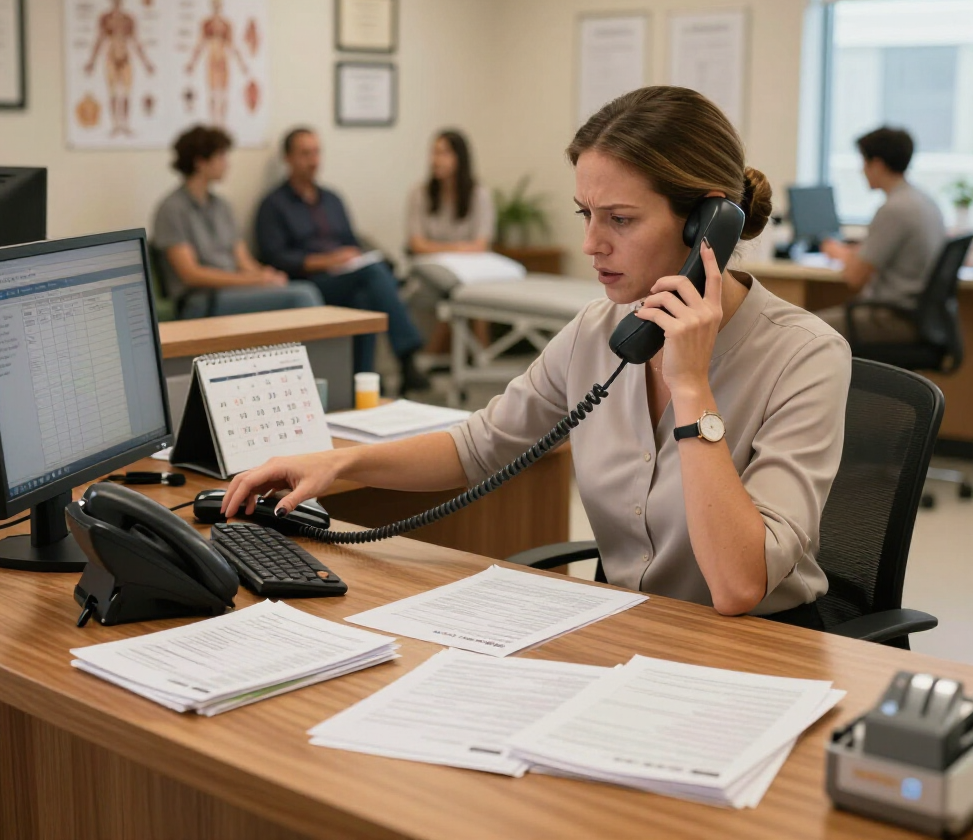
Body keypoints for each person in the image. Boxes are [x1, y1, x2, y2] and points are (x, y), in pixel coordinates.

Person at [226, 87, 852, 625]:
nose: (590, 243)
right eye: (585, 214)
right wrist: (336, 466)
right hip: (630, 631)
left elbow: (740, 586)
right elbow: (476, 448)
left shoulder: (805, 356)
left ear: (708, 223)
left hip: (758, 651)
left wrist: (691, 387)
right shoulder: (596, 331)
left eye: (621, 219)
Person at [255, 127, 429, 393]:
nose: (313, 160)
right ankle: (407, 357)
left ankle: (360, 384)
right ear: (288, 158)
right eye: (305, 154)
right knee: (374, 274)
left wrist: (349, 256)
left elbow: (350, 241)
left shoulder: (332, 199)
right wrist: (326, 261)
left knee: (365, 299)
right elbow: (276, 257)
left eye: (316, 152)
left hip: (348, 276)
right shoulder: (274, 205)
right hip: (310, 281)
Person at [152, 125, 322, 318]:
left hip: (234, 290)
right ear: (200, 162)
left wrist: (266, 275)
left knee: (300, 287)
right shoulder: (172, 209)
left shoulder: (222, 206)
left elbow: (243, 260)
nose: (227, 164)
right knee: (302, 296)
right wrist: (250, 280)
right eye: (221, 157)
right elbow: (191, 274)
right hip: (201, 299)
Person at [818, 127, 946, 343]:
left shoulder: (894, 209)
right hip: (918, 317)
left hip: (892, 318)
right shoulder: (923, 201)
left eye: (864, 163)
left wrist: (839, 253)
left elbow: (854, 278)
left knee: (803, 332)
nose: (862, 171)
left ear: (876, 164)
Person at [406, 130, 495, 254]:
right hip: (431, 264)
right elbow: (417, 244)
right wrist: (458, 248)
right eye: (434, 153)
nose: (436, 160)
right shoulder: (420, 193)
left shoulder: (479, 194)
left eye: (444, 153)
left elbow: (480, 245)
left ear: (460, 157)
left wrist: (437, 248)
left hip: (468, 265)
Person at [84, 0, 154, 137]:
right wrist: (91, 62)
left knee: (126, 94)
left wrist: (146, 63)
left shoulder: (128, 19)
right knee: (113, 94)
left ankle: (126, 124)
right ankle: (115, 125)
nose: (117, 0)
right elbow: (100, 40)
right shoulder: (105, 18)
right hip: (111, 56)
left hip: (126, 57)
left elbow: (136, 42)